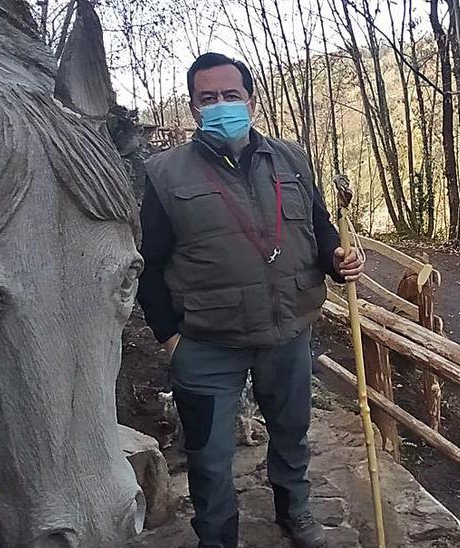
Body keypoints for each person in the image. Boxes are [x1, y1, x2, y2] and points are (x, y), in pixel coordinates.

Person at [136, 52, 363, 548]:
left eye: (231, 95)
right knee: (209, 455)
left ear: (251, 99)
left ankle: (295, 513)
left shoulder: (292, 159)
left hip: (288, 329)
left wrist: (336, 259)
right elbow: (148, 263)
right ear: (193, 107)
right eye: (208, 98)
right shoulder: (163, 174)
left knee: (291, 435)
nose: (221, 106)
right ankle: (217, 538)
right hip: (206, 340)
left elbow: (319, 229)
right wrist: (170, 337)